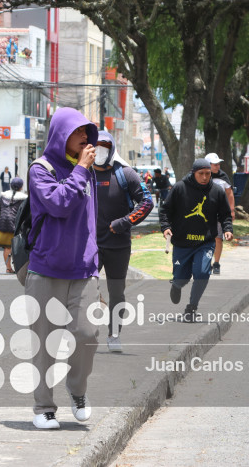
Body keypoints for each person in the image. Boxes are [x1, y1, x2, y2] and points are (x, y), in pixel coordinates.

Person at [25, 107, 100, 430]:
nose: (86, 137)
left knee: (88, 334)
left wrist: (95, 258)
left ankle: (78, 391)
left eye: (87, 132)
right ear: (61, 134)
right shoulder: (40, 169)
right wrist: (81, 169)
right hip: (45, 270)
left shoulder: (88, 172)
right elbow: (58, 204)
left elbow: (90, 220)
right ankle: (43, 407)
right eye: (79, 131)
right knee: (45, 343)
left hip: (83, 270)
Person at [94, 131, 153, 352]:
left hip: (118, 245)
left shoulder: (125, 174)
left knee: (117, 292)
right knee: (82, 287)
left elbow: (146, 202)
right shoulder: (83, 173)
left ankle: (114, 334)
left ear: (111, 149)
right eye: (96, 145)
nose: (99, 150)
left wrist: (125, 222)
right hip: (90, 245)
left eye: (104, 146)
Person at [160, 158, 233, 322]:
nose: (205, 177)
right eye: (201, 174)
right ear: (194, 173)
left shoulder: (217, 191)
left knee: (202, 273)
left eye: (208, 173)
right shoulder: (180, 188)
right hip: (182, 243)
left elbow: (225, 214)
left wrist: (228, 229)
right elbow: (165, 210)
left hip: (205, 243)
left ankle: (191, 308)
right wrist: (165, 227)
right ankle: (177, 285)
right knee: (181, 277)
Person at [204, 153, 235, 275]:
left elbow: (230, 193)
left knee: (218, 238)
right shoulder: (202, 176)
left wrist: (231, 210)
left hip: (219, 213)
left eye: (218, 164)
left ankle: (216, 263)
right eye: (215, 164)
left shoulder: (223, 176)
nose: (217, 166)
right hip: (203, 213)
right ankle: (205, 262)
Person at [0, 177, 27, 273]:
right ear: (21, 187)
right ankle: (18, 268)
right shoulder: (23, 198)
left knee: (7, 247)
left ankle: (8, 268)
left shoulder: (4, 196)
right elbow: (24, 213)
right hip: (15, 224)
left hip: (3, 223)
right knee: (18, 247)